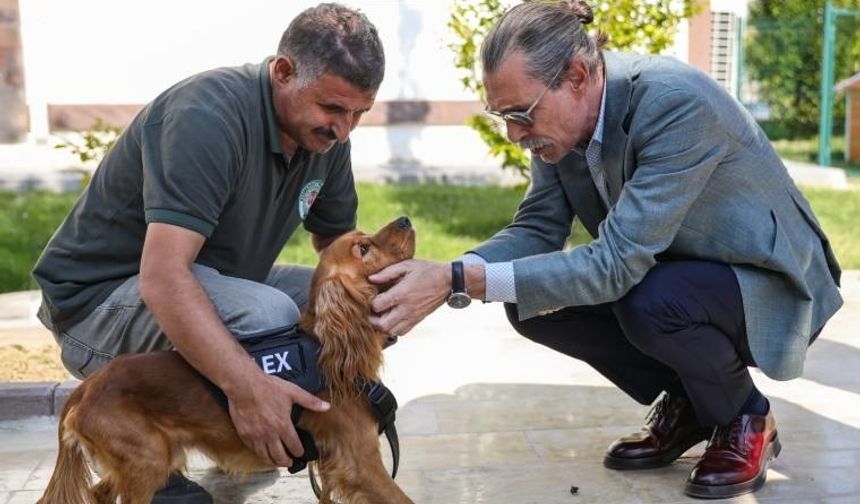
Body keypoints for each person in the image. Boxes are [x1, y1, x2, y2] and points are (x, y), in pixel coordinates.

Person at [368, 1, 842, 499]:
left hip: (769, 281)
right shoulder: (560, 128)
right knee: (533, 304)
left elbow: (616, 264)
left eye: (521, 114)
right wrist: (454, 271)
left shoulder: (675, 103)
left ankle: (745, 416)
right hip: (679, 271)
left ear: (576, 76)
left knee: (651, 301)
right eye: (502, 116)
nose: (513, 133)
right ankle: (691, 400)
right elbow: (538, 227)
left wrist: (459, 281)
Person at [32, 3, 384, 502]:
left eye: (358, 114)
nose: (344, 130)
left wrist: (385, 294)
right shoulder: (207, 116)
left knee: (355, 302)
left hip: (203, 284)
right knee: (270, 311)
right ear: (283, 71)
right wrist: (248, 391)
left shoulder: (325, 136)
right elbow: (164, 278)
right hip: (99, 306)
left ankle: (314, 440)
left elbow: (339, 251)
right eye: (333, 109)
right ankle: (183, 446)